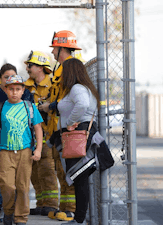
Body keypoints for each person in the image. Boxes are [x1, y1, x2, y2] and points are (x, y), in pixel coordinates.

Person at [0, 74, 43, 225]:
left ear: (23, 90)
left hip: (25, 152)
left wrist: (38, 150)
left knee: (23, 187)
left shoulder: (29, 107)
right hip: (5, 152)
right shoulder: (1, 107)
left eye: (18, 89)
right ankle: (8, 212)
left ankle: (21, 218)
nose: (14, 92)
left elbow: (38, 128)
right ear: (6, 90)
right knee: (7, 185)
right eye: (11, 89)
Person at [39, 30, 82, 222]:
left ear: (60, 48)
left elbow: (71, 100)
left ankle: (71, 209)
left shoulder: (70, 69)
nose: (53, 51)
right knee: (61, 169)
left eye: (55, 48)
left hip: (67, 128)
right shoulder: (60, 69)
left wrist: (52, 106)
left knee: (68, 170)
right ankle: (65, 208)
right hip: (57, 128)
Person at [56, 58, 100, 225]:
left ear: (70, 72)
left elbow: (82, 105)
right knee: (80, 178)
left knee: (79, 178)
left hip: (78, 136)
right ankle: (80, 218)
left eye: (63, 72)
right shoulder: (83, 88)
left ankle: (79, 219)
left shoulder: (77, 88)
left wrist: (68, 124)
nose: (61, 75)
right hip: (82, 136)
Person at [23, 51, 59, 216]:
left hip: (47, 134)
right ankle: (41, 203)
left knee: (47, 170)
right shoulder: (25, 87)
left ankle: (51, 204)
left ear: (40, 68)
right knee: (35, 173)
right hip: (30, 136)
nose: (28, 68)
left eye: (30, 65)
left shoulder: (52, 85)